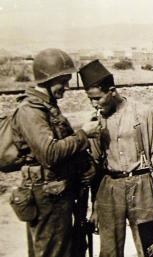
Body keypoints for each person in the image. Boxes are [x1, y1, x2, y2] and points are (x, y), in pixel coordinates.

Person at [11, 48, 98, 257]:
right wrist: (84, 134)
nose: (66, 87)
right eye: (64, 80)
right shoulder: (30, 111)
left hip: (55, 193)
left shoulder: (46, 106)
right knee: (53, 252)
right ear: (49, 79)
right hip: (47, 197)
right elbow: (49, 153)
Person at [78, 59, 153, 257]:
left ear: (112, 90)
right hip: (109, 189)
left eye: (98, 98)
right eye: (90, 99)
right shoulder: (95, 121)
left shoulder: (142, 113)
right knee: (110, 251)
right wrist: (95, 208)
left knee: (150, 247)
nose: (94, 104)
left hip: (141, 186)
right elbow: (94, 167)